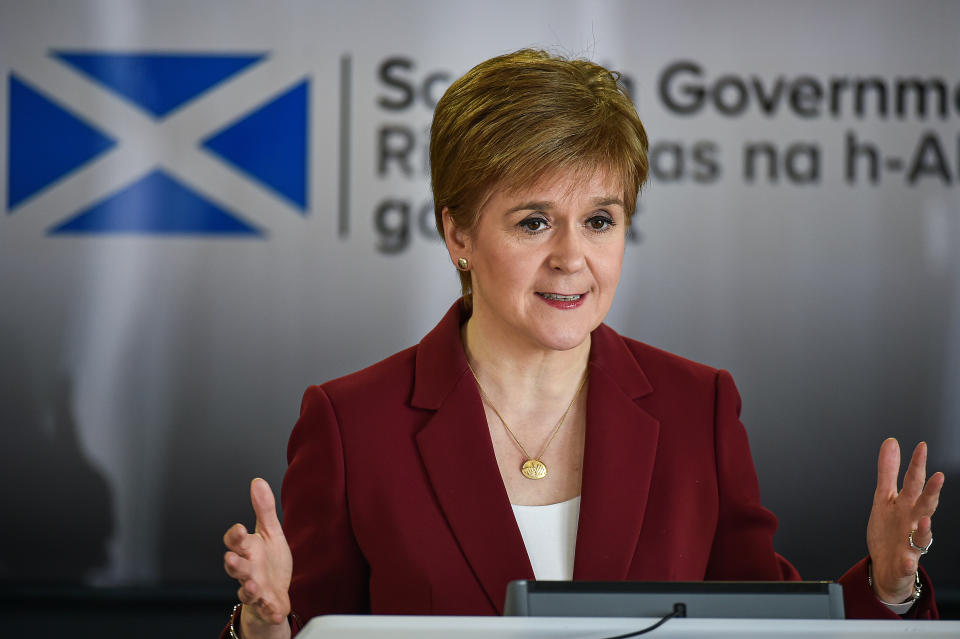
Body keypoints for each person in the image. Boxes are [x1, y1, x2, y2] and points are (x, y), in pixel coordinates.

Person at [221, 49, 945, 638]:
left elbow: (772, 628)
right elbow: (300, 627)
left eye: (599, 220)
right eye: (534, 222)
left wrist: (887, 585)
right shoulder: (354, 424)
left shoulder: (699, 408)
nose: (573, 257)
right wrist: (263, 625)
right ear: (458, 235)